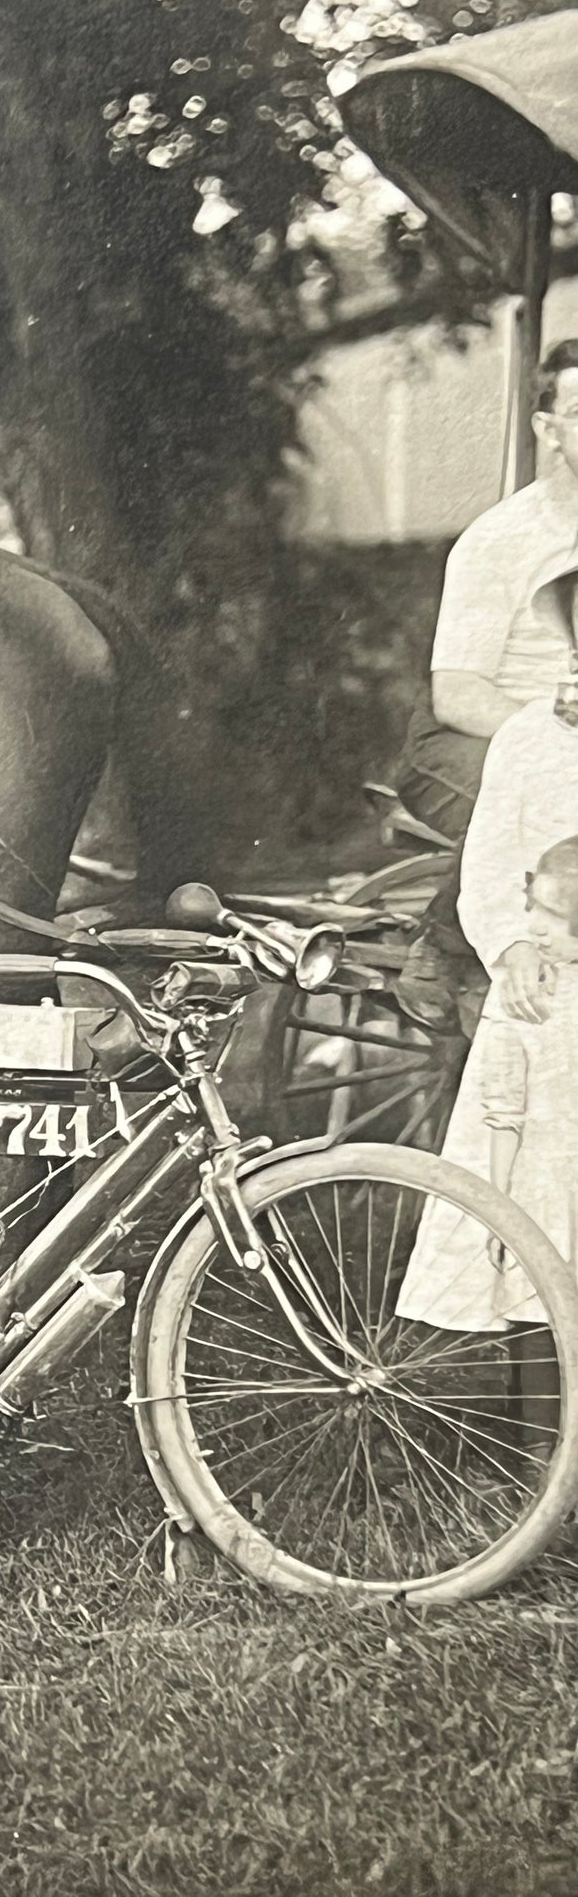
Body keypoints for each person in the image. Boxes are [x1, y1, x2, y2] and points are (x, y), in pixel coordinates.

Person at [394, 337, 578, 1031]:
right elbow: (457, 695)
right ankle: (442, 947)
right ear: (546, 428)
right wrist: (552, 724)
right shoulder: (499, 540)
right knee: (551, 788)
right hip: (465, 740)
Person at [397, 694, 578, 1347]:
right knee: (534, 1186)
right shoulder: (534, 736)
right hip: (553, 993)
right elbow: (492, 862)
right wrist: (513, 943)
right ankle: (539, 1425)